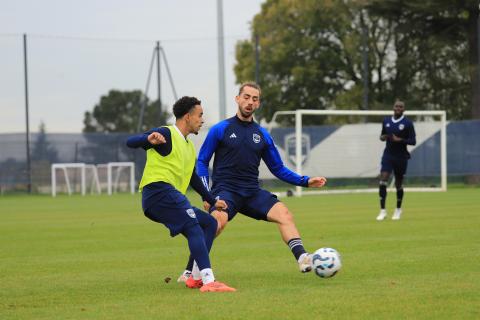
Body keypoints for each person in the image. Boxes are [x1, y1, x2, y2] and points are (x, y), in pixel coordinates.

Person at [177, 82, 327, 283]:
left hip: (251, 192)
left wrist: (306, 181)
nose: (249, 102)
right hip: (225, 191)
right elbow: (202, 161)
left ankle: (303, 258)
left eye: (254, 99)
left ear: (258, 104)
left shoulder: (263, 134)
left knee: (284, 214)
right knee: (214, 224)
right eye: (246, 97)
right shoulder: (220, 129)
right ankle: (190, 271)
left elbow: (278, 168)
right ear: (237, 99)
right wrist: (207, 194)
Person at [126, 96, 235, 292]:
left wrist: (212, 200)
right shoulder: (165, 133)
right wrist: (147, 139)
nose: (202, 120)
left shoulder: (188, 145)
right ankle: (209, 282)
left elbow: (193, 178)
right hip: (158, 192)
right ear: (187, 117)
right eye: (200, 115)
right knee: (193, 225)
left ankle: (193, 277)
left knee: (209, 223)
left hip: (167, 197)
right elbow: (130, 141)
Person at [376, 100, 416, 221]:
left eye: (401, 107)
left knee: (398, 183)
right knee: (383, 180)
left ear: (404, 109)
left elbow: (413, 141)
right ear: (393, 108)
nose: (398, 108)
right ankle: (382, 211)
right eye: (396, 106)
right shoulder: (386, 121)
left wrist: (400, 140)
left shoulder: (408, 123)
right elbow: (382, 135)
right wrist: (382, 137)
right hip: (388, 155)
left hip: (401, 157)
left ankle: (398, 209)